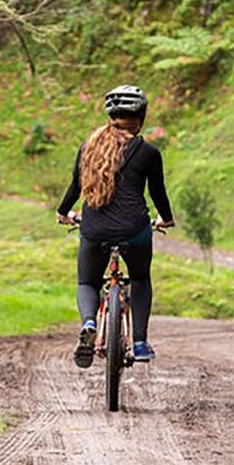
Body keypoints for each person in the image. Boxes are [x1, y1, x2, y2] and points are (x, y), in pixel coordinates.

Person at [57, 85, 175, 368]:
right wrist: (166, 218)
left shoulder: (89, 147)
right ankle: (140, 342)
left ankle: (89, 322)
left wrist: (63, 212)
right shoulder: (148, 152)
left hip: (94, 229)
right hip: (135, 229)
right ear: (141, 116)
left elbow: (76, 187)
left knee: (88, 281)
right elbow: (158, 193)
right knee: (140, 279)